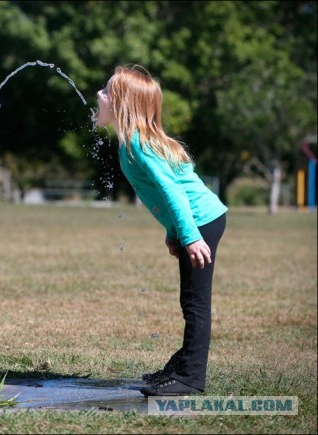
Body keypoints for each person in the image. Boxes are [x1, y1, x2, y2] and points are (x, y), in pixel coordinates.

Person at [93, 65, 227, 396]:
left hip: (201, 223)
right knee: (190, 301)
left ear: (123, 104)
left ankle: (190, 378)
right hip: (195, 223)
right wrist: (174, 232)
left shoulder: (138, 143)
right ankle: (180, 367)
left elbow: (174, 192)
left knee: (195, 302)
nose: (99, 95)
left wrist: (190, 235)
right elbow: (169, 193)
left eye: (108, 92)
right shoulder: (132, 142)